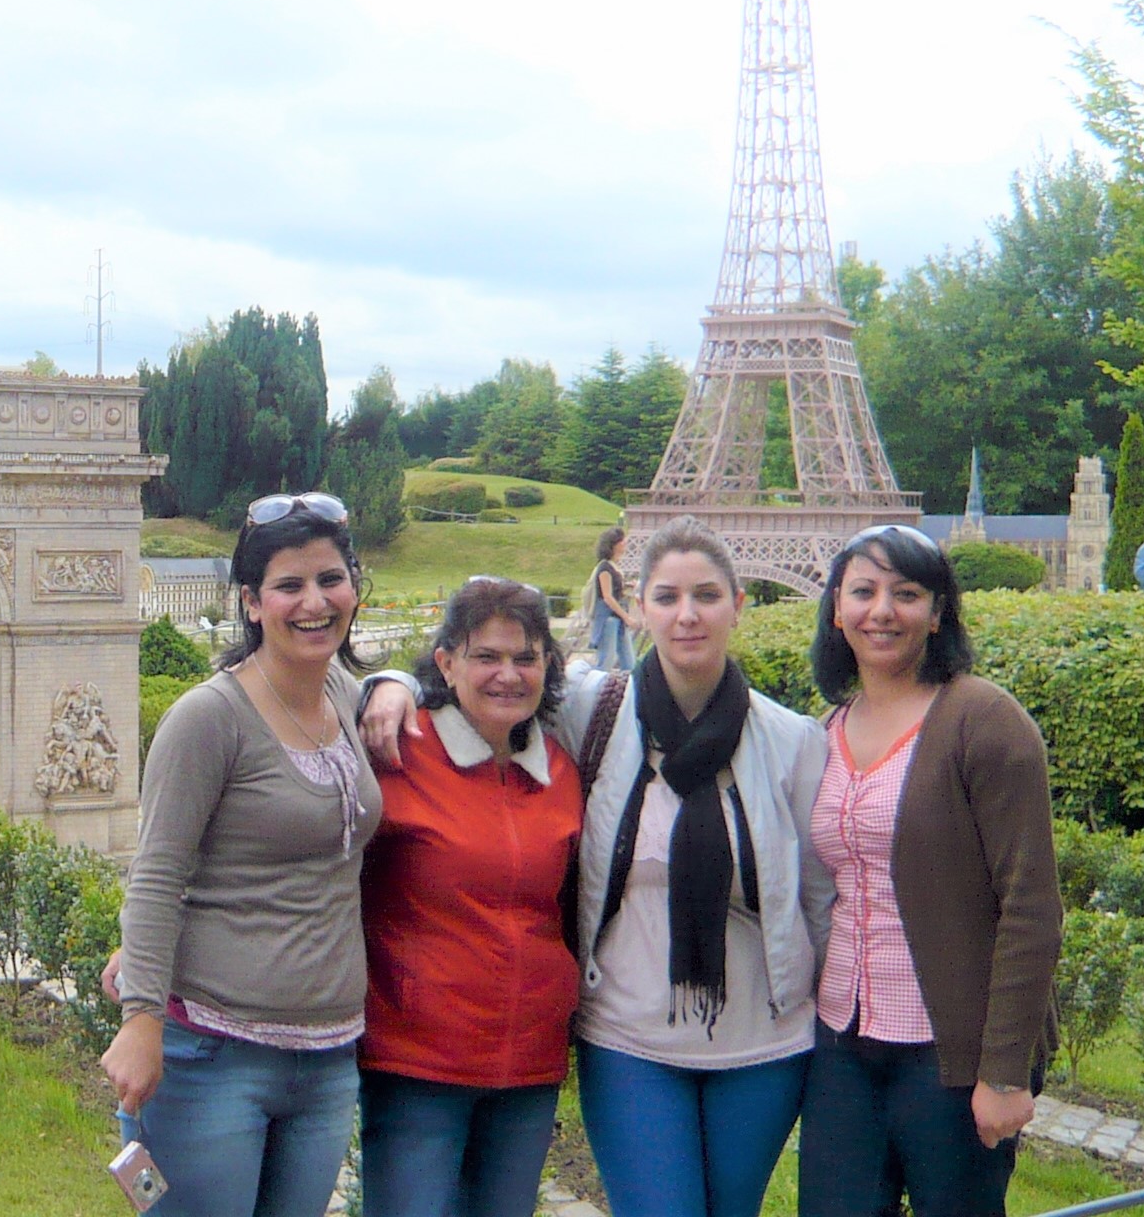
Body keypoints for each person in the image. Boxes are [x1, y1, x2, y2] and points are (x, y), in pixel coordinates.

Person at [363, 516, 831, 1217]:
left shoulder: (793, 742)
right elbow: (483, 685)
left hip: (761, 1045)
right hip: (627, 1035)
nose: (688, 614)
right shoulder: (594, 711)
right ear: (637, 606)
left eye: (707, 595)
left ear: (740, 604)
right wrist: (392, 680)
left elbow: (819, 901)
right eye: (667, 596)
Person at [102, 491, 381, 1217]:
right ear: (252, 603)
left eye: (330, 579)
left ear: (354, 587)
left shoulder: (349, 700)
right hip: (215, 1054)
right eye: (289, 585)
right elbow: (158, 874)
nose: (314, 601)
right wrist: (140, 1019)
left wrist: (403, 685)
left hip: (328, 1058)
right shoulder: (209, 718)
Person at [796, 524, 1061, 1217]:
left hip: (949, 1054)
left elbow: (1031, 906)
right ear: (835, 608)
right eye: (863, 591)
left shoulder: (984, 721)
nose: (882, 610)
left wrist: (1003, 1073)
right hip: (843, 1047)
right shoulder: (823, 730)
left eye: (906, 593)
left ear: (938, 612)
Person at [358, 576, 581, 1217]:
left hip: (529, 1068)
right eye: (486, 656)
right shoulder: (399, 751)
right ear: (447, 663)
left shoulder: (562, 773)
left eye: (525, 657)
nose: (507, 675)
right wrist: (387, 680)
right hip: (417, 1064)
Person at [588, 527, 642, 670]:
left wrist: (628, 585)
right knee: (605, 660)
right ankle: (597, 689)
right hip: (608, 619)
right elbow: (607, 596)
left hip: (617, 618)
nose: (625, 543)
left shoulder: (614, 566)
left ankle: (628, 687)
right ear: (613, 544)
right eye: (621, 541)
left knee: (629, 661)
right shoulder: (605, 568)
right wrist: (627, 617)